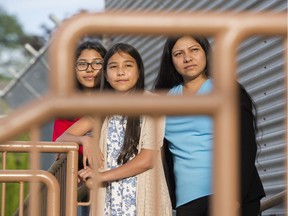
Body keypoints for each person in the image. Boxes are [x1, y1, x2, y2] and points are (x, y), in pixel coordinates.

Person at [153, 35, 265, 216]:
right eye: (178, 53)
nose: (187, 58)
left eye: (194, 50)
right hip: (188, 200)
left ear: (205, 52)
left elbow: (246, 146)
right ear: (170, 60)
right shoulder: (162, 101)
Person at [56, 43, 172, 216]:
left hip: (140, 200)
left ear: (139, 72)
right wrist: (84, 140)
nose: (120, 72)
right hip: (108, 201)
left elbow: (147, 159)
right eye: (113, 67)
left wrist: (102, 176)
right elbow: (61, 139)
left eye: (128, 66)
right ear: (106, 75)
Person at [52, 38, 107, 216]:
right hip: (84, 181)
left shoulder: (117, 98)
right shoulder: (66, 105)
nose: (90, 69)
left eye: (97, 63)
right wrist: (85, 139)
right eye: (82, 64)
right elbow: (59, 145)